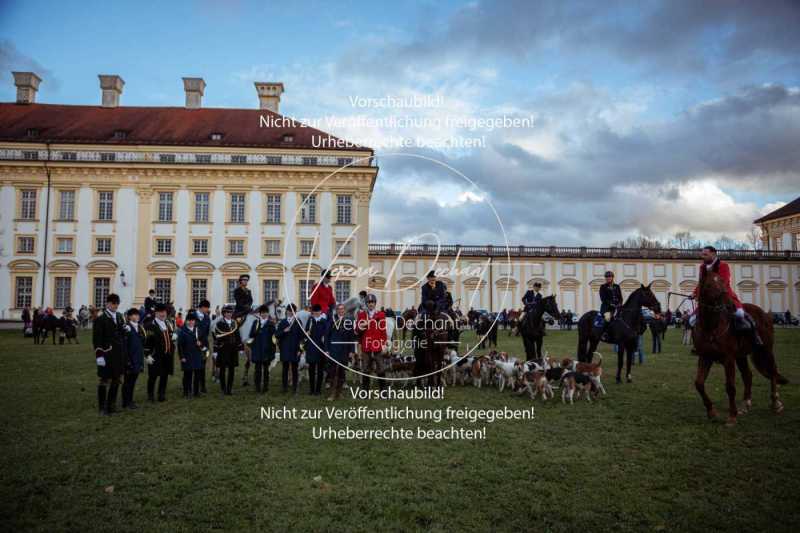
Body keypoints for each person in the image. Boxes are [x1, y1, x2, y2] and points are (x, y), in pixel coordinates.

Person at [692, 245, 762, 346]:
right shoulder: (702, 267)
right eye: (702, 254)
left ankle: (753, 338)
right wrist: (694, 293)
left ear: (713, 254)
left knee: (740, 315)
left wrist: (714, 292)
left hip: (724, 295)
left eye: (705, 254)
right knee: (692, 319)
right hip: (708, 300)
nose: (703, 256)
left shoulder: (723, 265)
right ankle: (698, 345)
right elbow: (701, 283)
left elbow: (724, 281)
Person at [93, 293, 126, 415]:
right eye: (113, 303)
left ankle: (111, 405)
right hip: (106, 354)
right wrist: (99, 356)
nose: (115, 306)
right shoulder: (101, 319)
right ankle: (102, 407)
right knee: (104, 380)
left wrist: (124, 330)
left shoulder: (119, 317)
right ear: (107, 304)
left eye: (117, 303)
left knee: (116, 380)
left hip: (118, 354)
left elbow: (120, 335)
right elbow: (97, 340)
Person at [145, 303, 176, 402]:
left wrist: (173, 337)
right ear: (156, 313)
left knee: (164, 375)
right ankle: (150, 395)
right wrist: (147, 355)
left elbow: (170, 336)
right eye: (160, 312)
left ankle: (161, 394)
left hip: (167, 355)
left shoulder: (168, 323)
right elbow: (146, 342)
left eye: (164, 312)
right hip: (155, 355)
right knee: (153, 376)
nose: (163, 314)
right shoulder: (150, 325)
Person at [357, 294, 387, 391]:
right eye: (369, 302)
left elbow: (383, 331)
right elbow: (357, 330)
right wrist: (363, 325)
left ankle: (383, 391)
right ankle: (365, 391)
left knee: (381, 368)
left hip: (377, 345)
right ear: (366, 304)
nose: (371, 304)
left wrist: (383, 344)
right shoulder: (361, 315)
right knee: (366, 369)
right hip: (366, 346)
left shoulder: (381, 314)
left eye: (372, 302)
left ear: (375, 303)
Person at [326, 303, 356, 401]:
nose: (341, 311)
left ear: (345, 311)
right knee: (333, 372)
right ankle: (332, 393)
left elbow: (352, 337)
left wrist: (352, 350)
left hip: (344, 350)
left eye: (342, 309)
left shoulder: (349, 321)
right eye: (339, 309)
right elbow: (327, 336)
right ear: (337, 310)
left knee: (342, 372)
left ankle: (339, 393)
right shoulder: (332, 321)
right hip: (334, 349)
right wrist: (327, 349)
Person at [249, 304, 276, 394]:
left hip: (267, 350)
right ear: (260, 314)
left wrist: (272, 350)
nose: (264, 314)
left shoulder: (271, 324)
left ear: (268, 314)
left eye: (265, 313)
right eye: (262, 313)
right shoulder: (256, 323)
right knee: (257, 370)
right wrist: (256, 330)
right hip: (257, 349)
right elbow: (251, 335)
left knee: (266, 370)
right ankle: (257, 387)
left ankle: (265, 386)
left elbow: (274, 338)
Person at [213, 305, 240, 395]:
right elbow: (216, 337)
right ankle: (223, 388)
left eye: (231, 312)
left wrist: (240, 347)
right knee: (223, 369)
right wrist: (216, 350)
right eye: (227, 312)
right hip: (223, 349)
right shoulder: (220, 323)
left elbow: (237, 335)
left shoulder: (234, 323)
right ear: (224, 313)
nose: (229, 314)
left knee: (232, 369)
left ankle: (229, 388)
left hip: (233, 349)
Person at [276, 303, 303, 394]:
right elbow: (277, 335)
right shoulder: (282, 322)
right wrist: (284, 331)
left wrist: (300, 350)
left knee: (295, 369)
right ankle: (284, 387)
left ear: (295, 312)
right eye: (289, 311)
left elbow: (302, 337)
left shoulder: (298, 321)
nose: (290, 312)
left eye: (293, 311)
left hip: (295, 349)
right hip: (285, 349)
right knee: (285, 369)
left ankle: (295, 387)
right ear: (286, 311)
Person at [122, 308, 146, 409]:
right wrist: (127, 360)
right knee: (127, 382)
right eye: (134, 315)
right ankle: (126, 402)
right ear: (129, 317)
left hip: (137, 358)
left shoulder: (139, 327)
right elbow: (124, 346)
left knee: (133, 381)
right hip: (130, 359)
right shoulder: (127, 327)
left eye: (138, 315)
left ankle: (130, 400)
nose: (137, 317)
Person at [178, 310, 204, 399]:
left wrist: (200, 343)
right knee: (187, 375)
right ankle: (187, 392)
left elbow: (203, 342)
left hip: (197, 355)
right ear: (186, 321)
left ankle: (196, 391)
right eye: (189, 320)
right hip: (187, 356)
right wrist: (182, 357)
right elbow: (180, 345)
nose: (191, 322)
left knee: (197, 375)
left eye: (193, 320)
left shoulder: (198, 330)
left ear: (195, 321)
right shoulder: (182, 331)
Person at [304, 304, 329, 396]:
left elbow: (326, 335)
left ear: (320, 312)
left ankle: (318, 390)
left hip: (320, 349)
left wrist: (325, 345)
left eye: (318, 311)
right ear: (312, 312)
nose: (316, 313)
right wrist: (307, 332)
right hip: (311, 348)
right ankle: (311, 389)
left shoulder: (324, 322)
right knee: (311, 370)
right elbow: (306, 332)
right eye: (315, 311)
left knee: (320, 370)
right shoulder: (310, 321)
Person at [195, 299, 212, 394]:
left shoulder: (207, 318)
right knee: (196, 366)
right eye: (207, 308)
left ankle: (203, 386)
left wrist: (206, 347)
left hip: (205, 346)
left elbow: (207, 332)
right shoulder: (193, 316)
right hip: (195, 345)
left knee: (203, 365)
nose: (207, 310)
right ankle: (195, 386)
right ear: (202, 307)